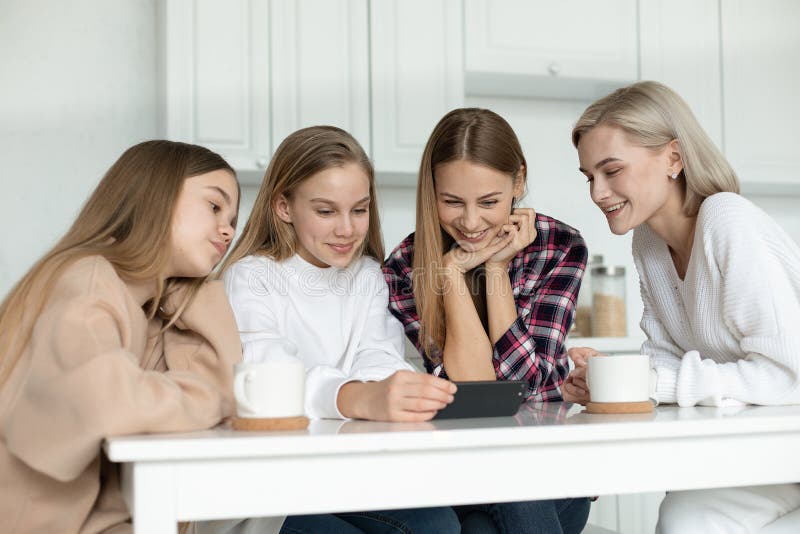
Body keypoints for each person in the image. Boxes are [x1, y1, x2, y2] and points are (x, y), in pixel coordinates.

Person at [562, 80, 800, 533]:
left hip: (785, 447)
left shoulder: (727, 220)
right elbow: (666, 361)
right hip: (757, 447)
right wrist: (616, 383)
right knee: (682, 521)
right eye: (590, 176)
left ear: (673, 157)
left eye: (612, 171)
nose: (597, 192)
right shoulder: (648, 241)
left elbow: (787, 375)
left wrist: (645, 381)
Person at [221, 125, 461, 533]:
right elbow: (270, 374)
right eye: (326, 211)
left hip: (346, 476)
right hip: (272, 488)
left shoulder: (367, 275)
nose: (347, 229)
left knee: (440, 525)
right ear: (283, 206)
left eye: (359, 209)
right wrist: (356, 396)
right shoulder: (251, 277)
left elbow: (379, 352)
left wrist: (396, 388)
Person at [0, 140, 243, 533]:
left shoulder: (146, 310)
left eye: (232, 217)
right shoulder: (91, 277)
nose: (228, 228)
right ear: (155, 197)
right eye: (214, 206)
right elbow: (105, 400)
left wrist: (197, 292)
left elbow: (224, 391)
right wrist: (210, 399)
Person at [383, 108, 590, 534]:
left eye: (490, 202)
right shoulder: (406, 265)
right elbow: (474, 394)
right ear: (431, 191)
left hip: (550, 474)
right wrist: (450, 273)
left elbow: (526, 386)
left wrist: (496, 268)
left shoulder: (561, 246)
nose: (471, 222)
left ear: (518, 181)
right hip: (462, 470)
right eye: (452, 202)